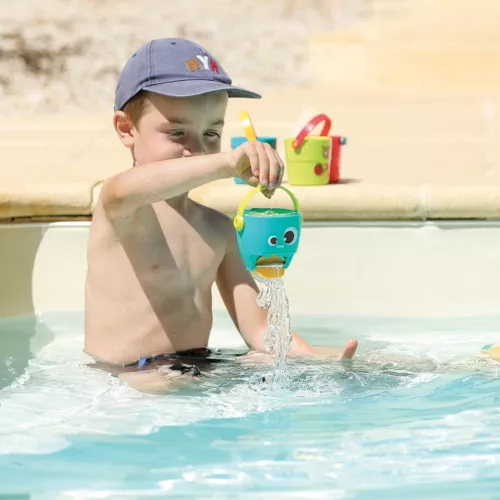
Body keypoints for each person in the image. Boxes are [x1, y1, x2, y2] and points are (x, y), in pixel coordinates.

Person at [84, 38, 358, 394]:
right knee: (164, 383)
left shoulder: (217, 229)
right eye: (177, 133)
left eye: (211, 133)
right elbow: (128, 187)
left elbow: (260, 331)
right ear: (126, 129)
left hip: (194, 367)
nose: (196, 149)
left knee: (358, 370)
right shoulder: (121, 208)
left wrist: (318, 359)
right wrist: (227, 161)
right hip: (124, 380)